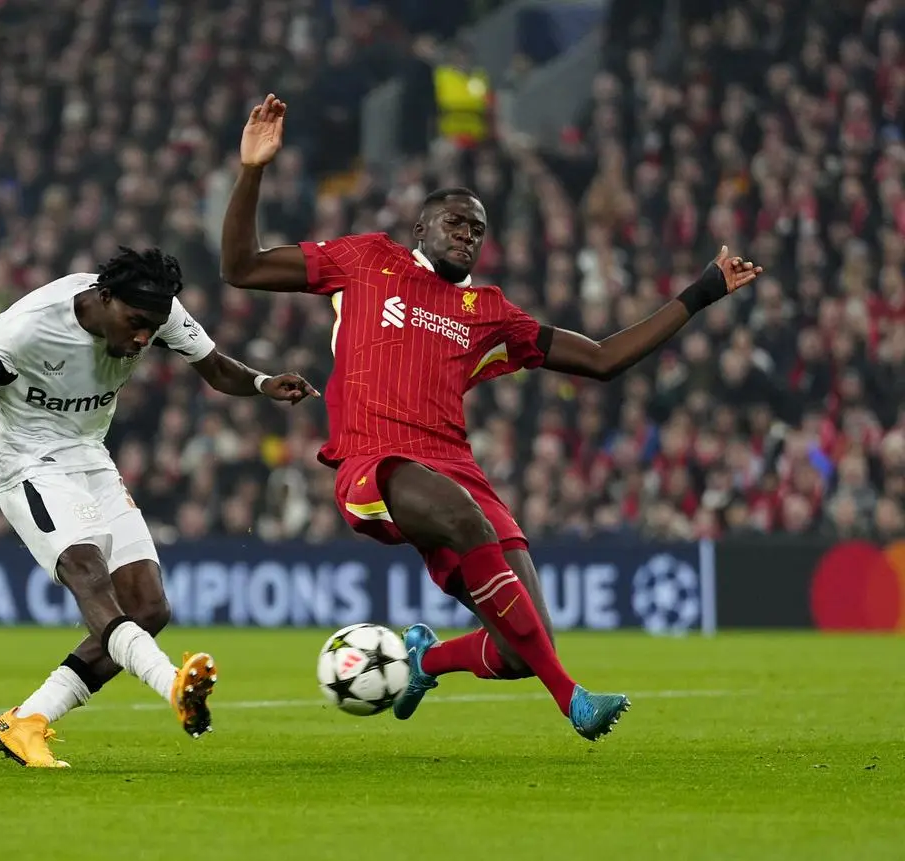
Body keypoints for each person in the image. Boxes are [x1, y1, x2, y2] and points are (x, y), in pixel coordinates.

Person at [220, 95, 763, 740]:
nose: (468, 233)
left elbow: (603, 359)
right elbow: (241, 267)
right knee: (467, 525)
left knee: (521, 647)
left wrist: (701, 292)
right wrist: (252, 169)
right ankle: (572, 699)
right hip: (374, 459)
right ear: (420, 228)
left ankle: (423, 661)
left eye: (478, 229)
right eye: (455, 221)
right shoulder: (366, 259)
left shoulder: (490, 312)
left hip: (457, 469)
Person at [0, 247, 320, 767]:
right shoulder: (27, 327)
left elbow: (214, 369)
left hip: (91, 456)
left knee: (149, 608)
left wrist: (261, 382)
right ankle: (172, 684)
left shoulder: (157, 310)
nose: (143, 339)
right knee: (86, 570)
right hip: (28, 463)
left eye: (152, 329)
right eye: (135, 324)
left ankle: (27, 721)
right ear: (105, 298)